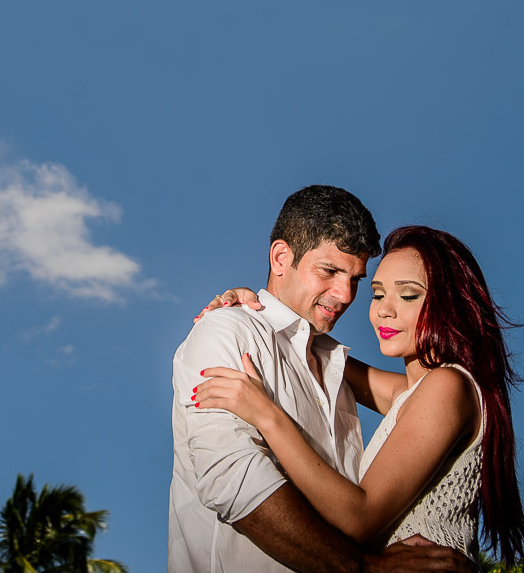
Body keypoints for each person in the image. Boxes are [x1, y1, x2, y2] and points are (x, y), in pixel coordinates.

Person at [169, 186, 473, 573]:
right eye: (329, 271)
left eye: (357, 280)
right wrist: (361, 568)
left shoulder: (336, 366)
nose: (345, 295)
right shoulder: (228, 330)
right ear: (282, 257)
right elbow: (234, 483)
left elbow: (354, 511)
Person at [193, 225, 524, 566]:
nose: (384, 310)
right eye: (377, 293)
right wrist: (262, 308)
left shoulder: (447, 385)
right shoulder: (414, 393)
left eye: (409, 295)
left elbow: (358, 517)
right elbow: (313, 350)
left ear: (451, 302)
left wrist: (267, 416)